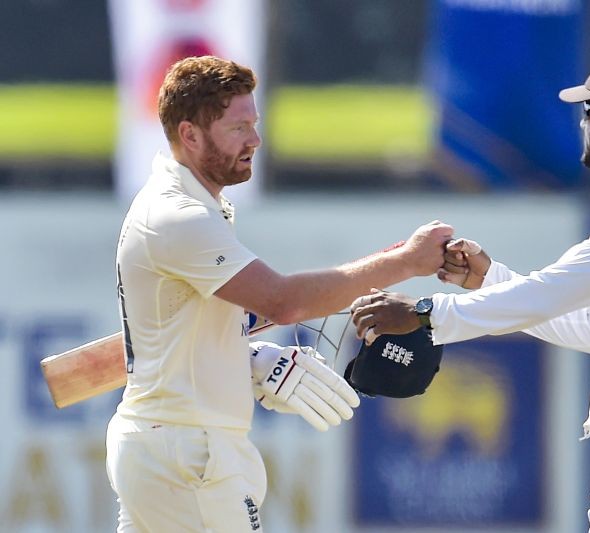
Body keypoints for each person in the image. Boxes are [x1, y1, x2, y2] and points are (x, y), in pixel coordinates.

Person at [350, 52, 590, 532]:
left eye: (589, 112)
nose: (583, 124)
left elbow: (549, 292)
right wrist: (491, 279)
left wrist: (426, 313)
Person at [106, 55, 453, 532]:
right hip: (189, 452)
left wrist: (242, 360)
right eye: (237, 128)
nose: (255, 140)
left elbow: (189, 326)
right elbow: (283, 301)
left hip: (170, 446)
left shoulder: (194, 205)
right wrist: (406, 262)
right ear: (189, 135)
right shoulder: (177, 216)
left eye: (255, 123)